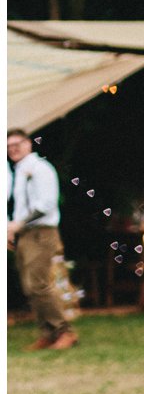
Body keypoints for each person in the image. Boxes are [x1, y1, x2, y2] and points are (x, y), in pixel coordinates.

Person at [7, 128, 77, 350]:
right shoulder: (18, 172)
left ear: (28, 144)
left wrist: (19, 224)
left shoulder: (41, 169)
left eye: (17, 144)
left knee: (39, 284)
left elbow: (45, 205)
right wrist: (12, 230)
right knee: (29, 286)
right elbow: (20, 208)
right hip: (26, 234)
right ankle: (48, 333)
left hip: (41, 232)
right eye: (9, 146)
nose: (13, 149)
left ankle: (65, 331)